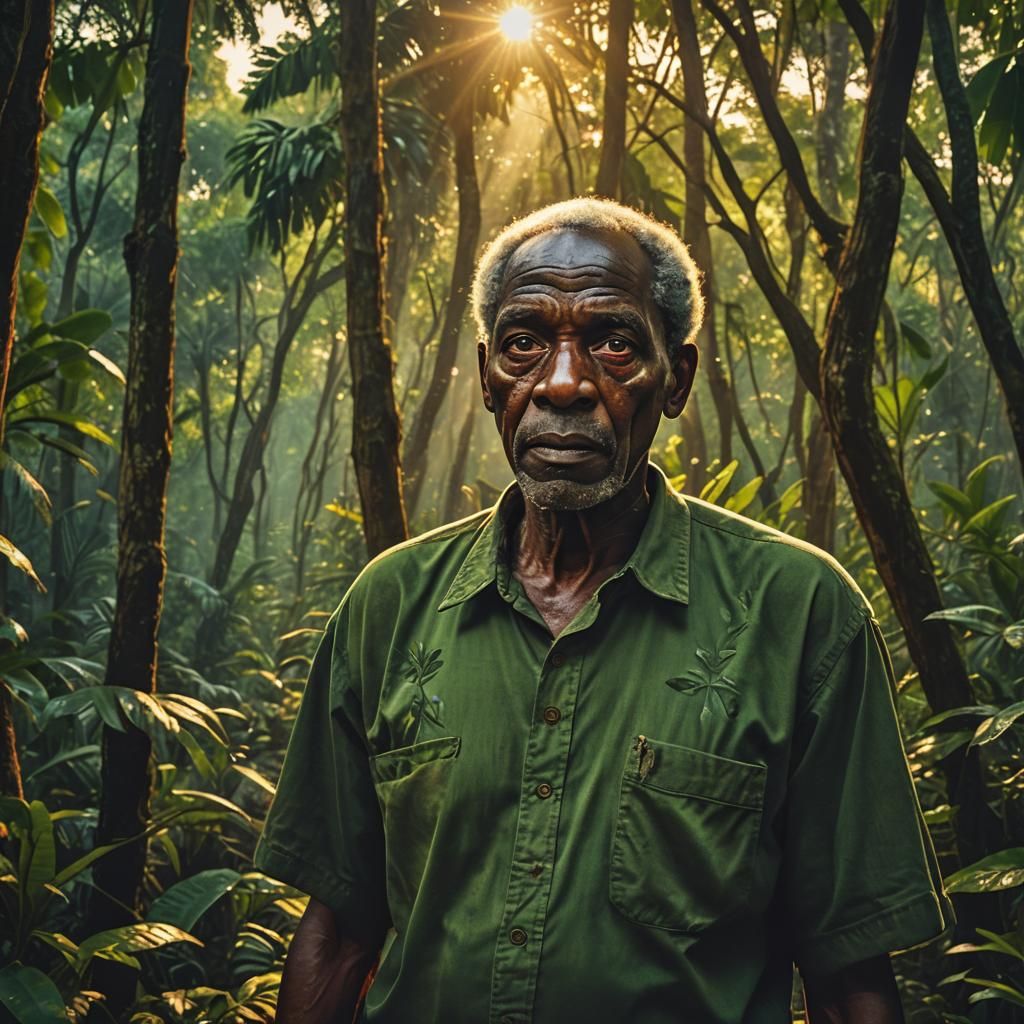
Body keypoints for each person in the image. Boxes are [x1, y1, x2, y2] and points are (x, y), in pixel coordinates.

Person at [254, 198, 953, 1023]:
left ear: (676, 379)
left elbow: (847, 980)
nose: (563, 384)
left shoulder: (799, 614)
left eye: (613, 343)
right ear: (487, 378)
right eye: (524, 344)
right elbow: (338, 938)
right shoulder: (389, 605)